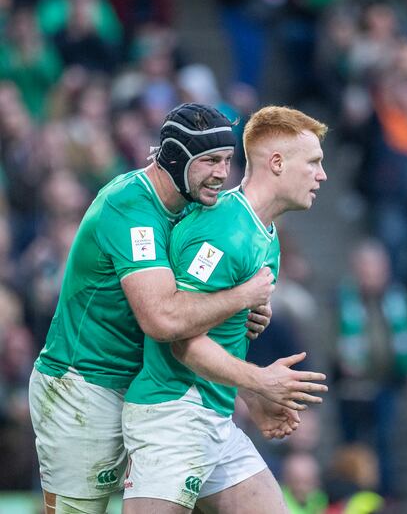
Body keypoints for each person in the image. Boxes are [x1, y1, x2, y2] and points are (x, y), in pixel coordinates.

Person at [28, 103, 306, 514]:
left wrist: (236, 315)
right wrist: (240, 299)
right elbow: (162, 320)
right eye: (210, 160)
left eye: (228, 160)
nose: (222, 174)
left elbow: (197, 306)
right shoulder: (130, 208)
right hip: (83, 387)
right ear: (175, 158)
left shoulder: (196, 203)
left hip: (161, 392)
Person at [122, 106, 330, 513]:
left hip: (214, 418)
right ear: (276, 163)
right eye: (314, 162)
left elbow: (218, 331)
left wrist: (249, 395)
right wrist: (259, 382)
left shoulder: (265, 236)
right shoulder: (222, 231)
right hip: (172, 414)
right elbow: (179, 338)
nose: (322, 175)